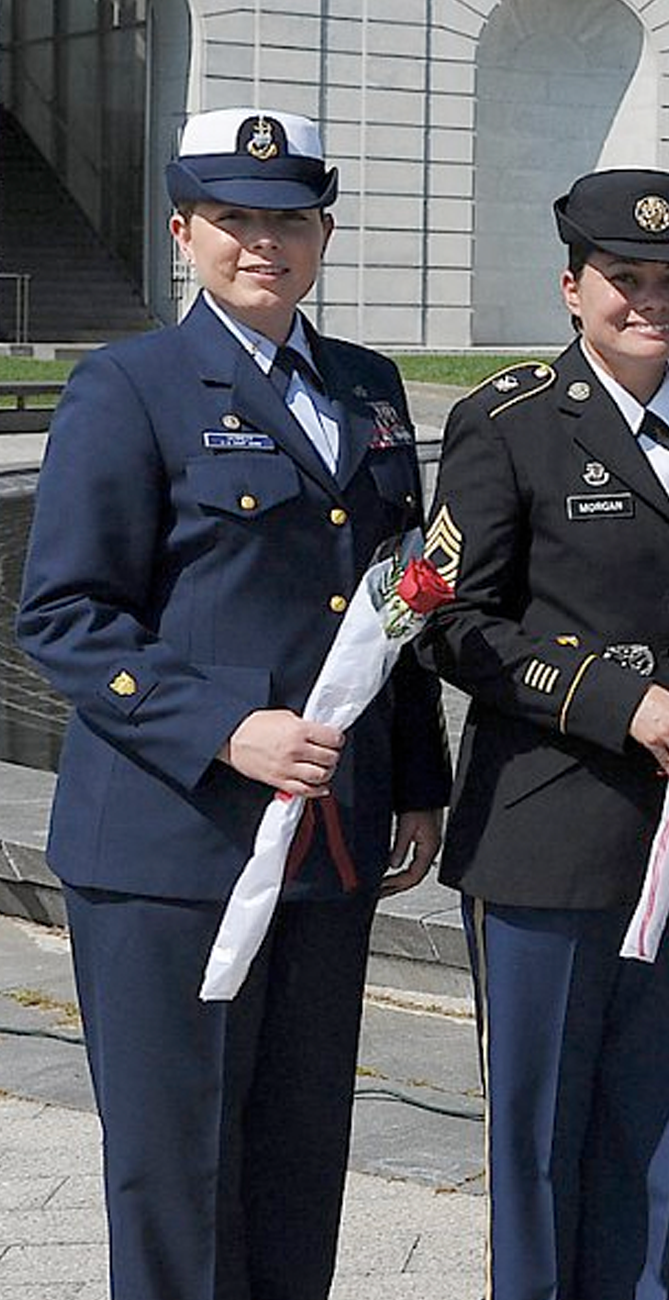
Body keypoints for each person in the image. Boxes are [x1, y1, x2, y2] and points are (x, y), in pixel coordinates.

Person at [13, 108, 450, 1299]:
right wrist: (222, 725)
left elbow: (385, 604)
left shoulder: (365, 386)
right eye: (235, 219)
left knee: (299, 1153)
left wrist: (415, 779)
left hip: (325, 840)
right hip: (173, 847)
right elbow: (61, 617)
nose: (264, 242)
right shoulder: (129, 385)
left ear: (322, 233)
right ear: (183, 232)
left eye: (290, 219)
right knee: (175, 1167)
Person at [414, 168, 669, 1299]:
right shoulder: (508, 422)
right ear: (571, 287)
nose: (651, 302)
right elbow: (452, 624)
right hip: (547, 832)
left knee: (665, 1123)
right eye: (623, 279)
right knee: (537, 1137)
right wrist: (612, 700)